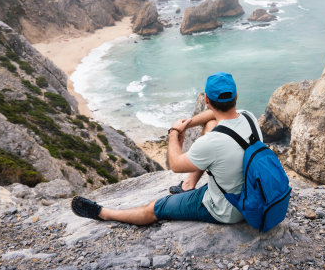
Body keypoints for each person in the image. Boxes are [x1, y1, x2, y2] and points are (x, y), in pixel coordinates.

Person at [70, 71, 262, 226]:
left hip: (227, 210)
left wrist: (173, 132)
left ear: (207, 101)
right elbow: (213, 117)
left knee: (155, 208)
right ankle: (188, 185)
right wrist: (186, 124)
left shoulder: (211, 143)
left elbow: (175, 164)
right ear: (236, 96)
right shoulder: (249, 117)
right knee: (212, 125)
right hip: (253, 196)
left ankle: (104, 213)